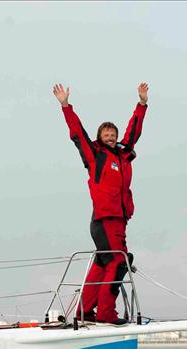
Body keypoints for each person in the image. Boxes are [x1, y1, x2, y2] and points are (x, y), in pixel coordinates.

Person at [53, 82, 148, 325]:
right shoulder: (95, 156)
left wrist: (142, 104)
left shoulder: (124, 154)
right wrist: (65, 106)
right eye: (105, 134)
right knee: (118, 261)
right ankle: (106, 312)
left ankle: (84, 311)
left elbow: (133, 133)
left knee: (103, 261)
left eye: (113, 134)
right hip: (104, 219)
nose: (110, 136)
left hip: (119, 219)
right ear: (99, 138)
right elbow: (78, 133)